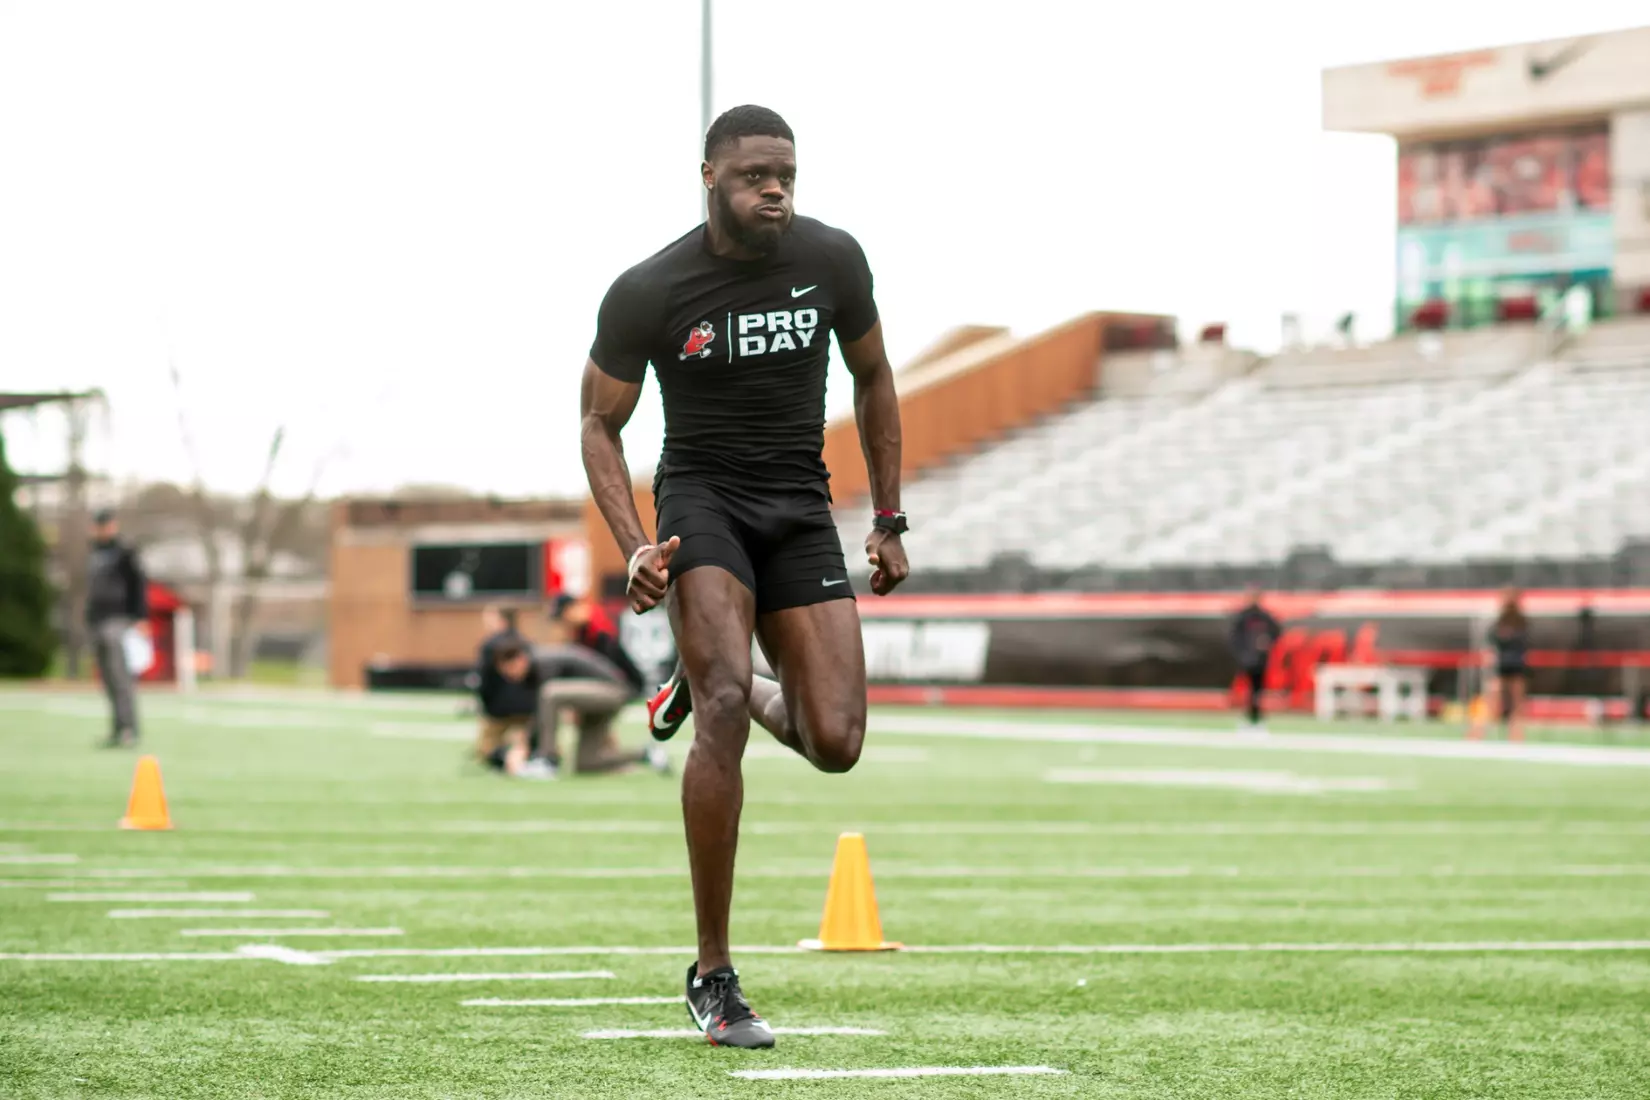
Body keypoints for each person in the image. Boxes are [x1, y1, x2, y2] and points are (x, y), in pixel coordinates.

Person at [578, 104, 909, 1049]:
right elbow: (599, 424)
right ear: (710, 178)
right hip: (703, 506)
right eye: (756, 175)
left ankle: (714, 672)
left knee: (835, 739)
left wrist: (887, 518)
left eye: (788, 176)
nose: (776, 190)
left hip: (799, 508)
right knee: (721, 709)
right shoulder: (651, 288)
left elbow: (875, 375)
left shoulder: (833, 261)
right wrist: (633, 543)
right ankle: (714, 974)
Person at [532, 643, 669, 777]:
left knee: (549, 693)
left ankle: (549, 760)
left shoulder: (543, 663)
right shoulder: (546, 658)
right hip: (594, 697)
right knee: (586, 763)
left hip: (612, 690)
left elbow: (550, 705)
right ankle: (645, 754)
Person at [85, 508, 149, 748]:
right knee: (107, 677)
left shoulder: (124, 552)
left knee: (120, 674)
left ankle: (129, 729)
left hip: (118, 618)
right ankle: (116, 727)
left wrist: (141, 617)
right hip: (98, 619)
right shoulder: (94, 552)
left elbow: (138, 584)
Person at [474, 635, 555, 779]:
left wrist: (522, 744)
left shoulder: (539, 670)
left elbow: (541, 712)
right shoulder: (494, 674)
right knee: (486, 752)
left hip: (527, 719)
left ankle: (541, 759)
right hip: (498, 718)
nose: (508, 675)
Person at [1468, 587, 1529, 743]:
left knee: (1516, 703)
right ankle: (1478, 732)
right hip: (1499, 666)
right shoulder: (1497, 621)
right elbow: (1490, 643)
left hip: (1516, 666)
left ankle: (1516, 735)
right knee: (1491, 699)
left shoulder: (1521, 621)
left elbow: (1523, 644)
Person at [1230, 585, 1281, 732]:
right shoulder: (1242, 617)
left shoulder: (1264, 617)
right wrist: (1242, 653)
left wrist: (1267, 641)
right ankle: (1248, 716)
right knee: (1245, 690)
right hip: (1246, 660)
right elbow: (1234, 638)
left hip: (1260, 660)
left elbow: (1276, 631)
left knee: (1256, 690)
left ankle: (1255, 717)